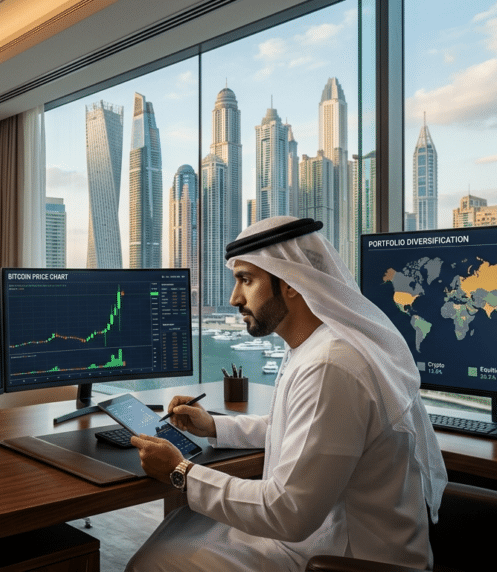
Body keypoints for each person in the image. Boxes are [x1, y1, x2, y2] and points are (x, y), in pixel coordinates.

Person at [127, 216, 447, 572]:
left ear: (292, 283)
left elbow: (287, 512)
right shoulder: (316, 347)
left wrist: (180, 472)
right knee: (180, 525)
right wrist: (214, 427)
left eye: (246, 280)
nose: (235, 298)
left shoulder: (331, 366)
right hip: (319, 541)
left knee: (151, 561)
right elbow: (300, 428)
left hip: (344, 558)